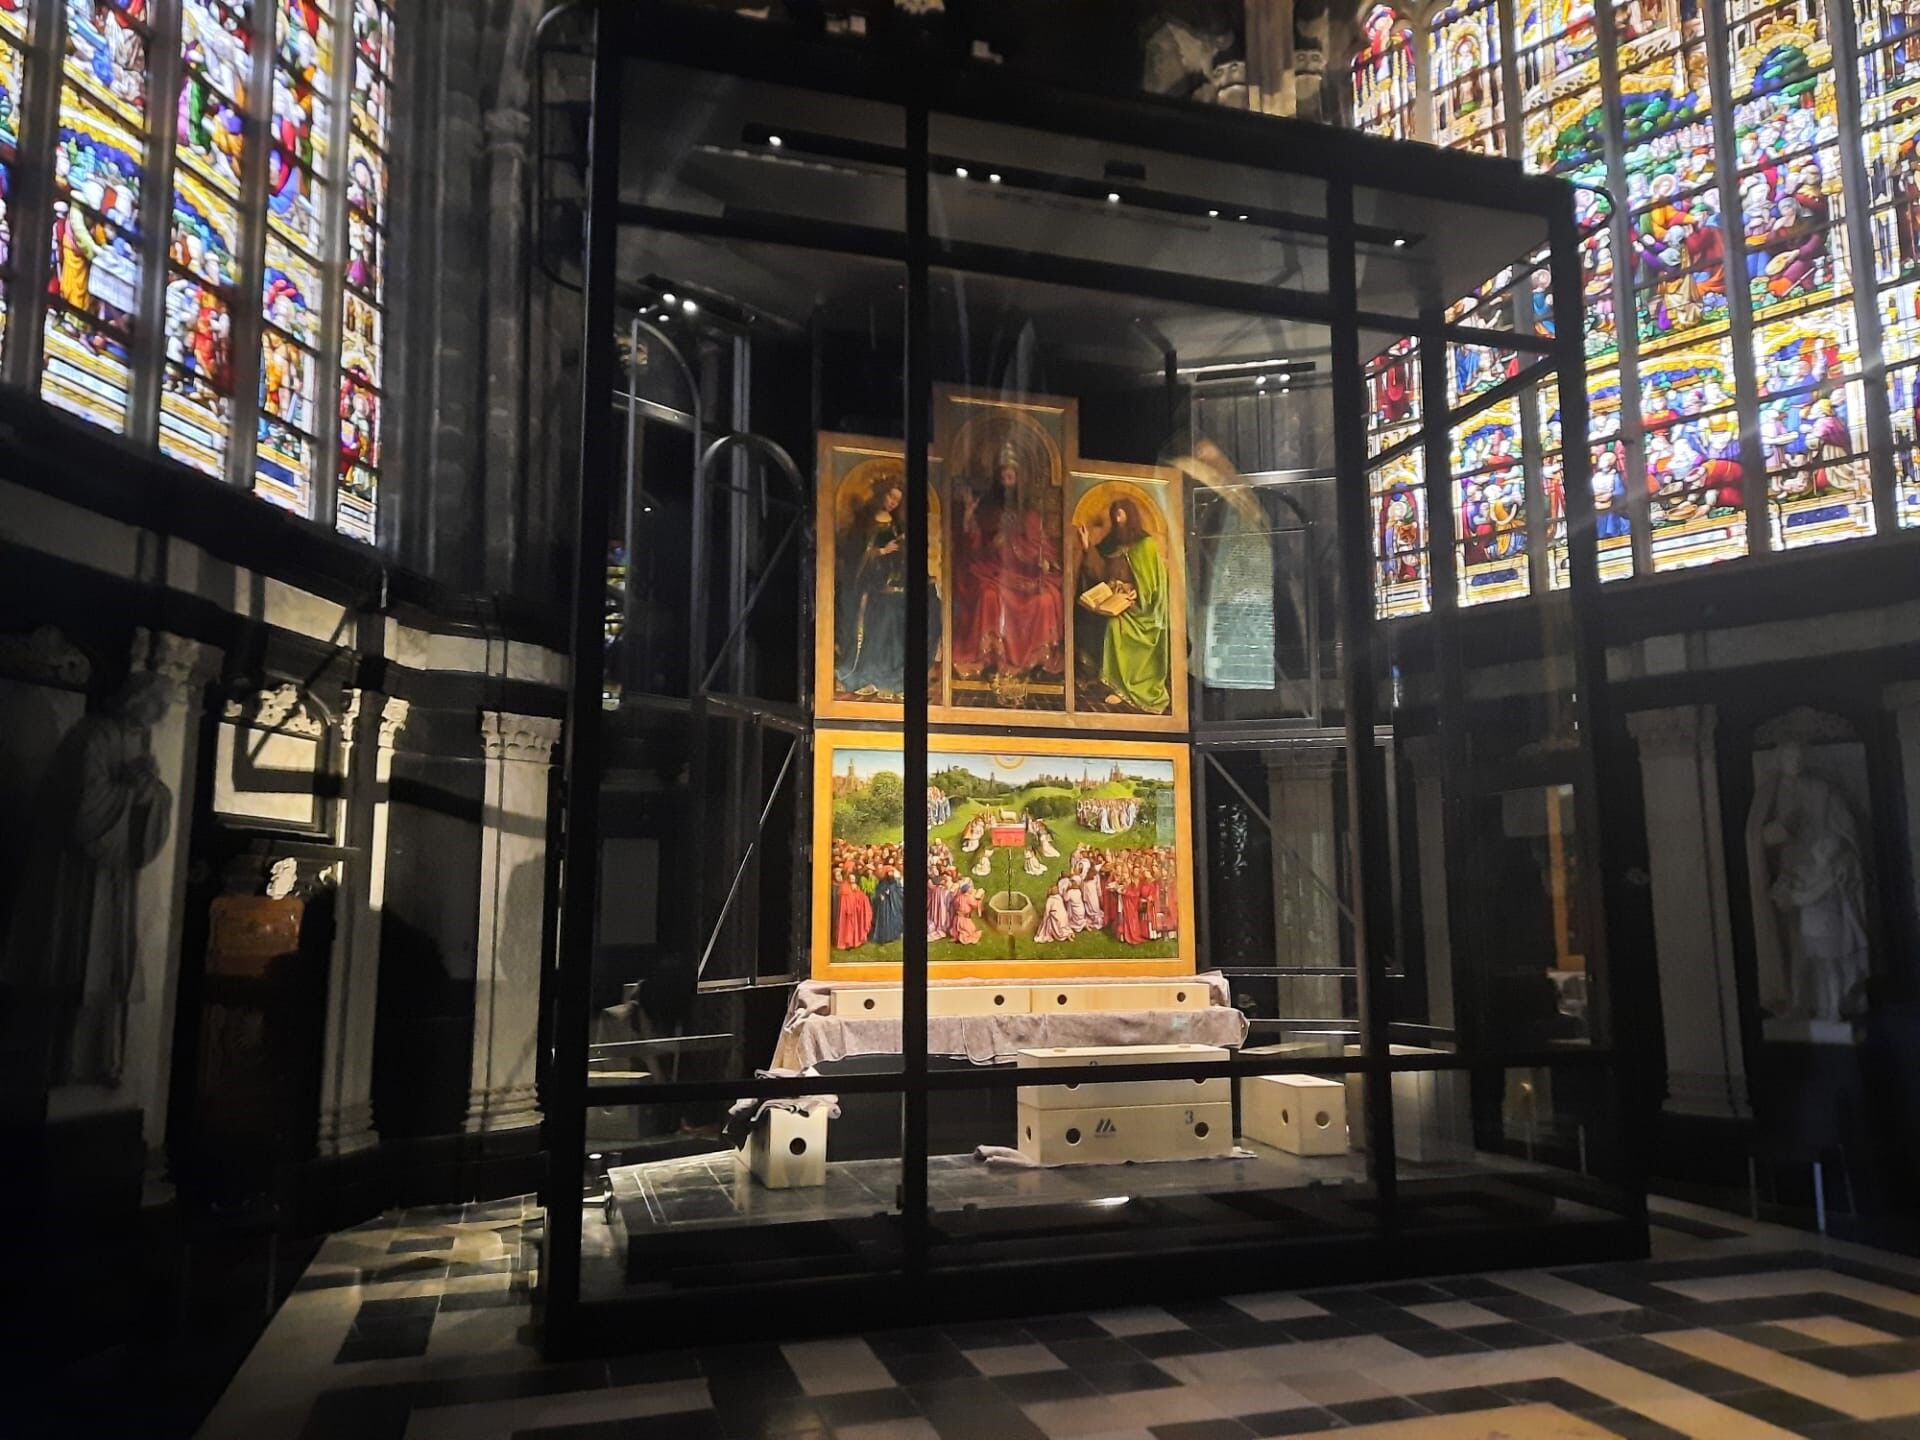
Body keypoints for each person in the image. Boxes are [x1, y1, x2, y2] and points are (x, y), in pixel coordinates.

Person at [1, 671, 173, 1088]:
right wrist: (131, 791)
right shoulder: (91, 736)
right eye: (154, 705)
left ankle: (101, 1061)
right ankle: (58, 1063)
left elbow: (154, 796)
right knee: (74, 958)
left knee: (108, 965)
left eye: (162, 709)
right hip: (77, 876)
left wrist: (151, 792)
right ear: (135, 701)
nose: (157, 715)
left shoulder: (138, 741)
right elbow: (83, 810)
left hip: (114, 879)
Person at [951, 437, 1065, 681]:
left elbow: (1042, 548)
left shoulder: (1030, 515)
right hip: (993, 571)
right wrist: (970, 518)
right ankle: (990, 659)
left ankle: (1035, 662)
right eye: (1003, 475)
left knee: (1046, 600)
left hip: (1025, 574)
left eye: (1011, 475)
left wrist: (1032, 554)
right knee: (988, 596)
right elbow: (974, 546)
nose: (1007, 479)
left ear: (1019, 479)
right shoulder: (988, 510)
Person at [1076, 499, 1172, 713]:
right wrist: (1086, 545)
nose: (1117, 519)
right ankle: (1096, 676)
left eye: (1121, 514)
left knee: (1114, 626)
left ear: (1130, 515)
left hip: (1142, 610)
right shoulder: (1112, 544)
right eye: (1115, 515)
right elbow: (1100, 572)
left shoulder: (1145, 545)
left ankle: (1123, 688)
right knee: (1089, 618)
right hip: (1116, 600)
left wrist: (1137, 592)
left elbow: (1154, 583)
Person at [832, 867, 872, 951]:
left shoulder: (855, 886)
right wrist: (848, 909)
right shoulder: (844, 887)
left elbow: (860, 897)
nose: (852, 880)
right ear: (848, 879)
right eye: (851, 879)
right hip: (847, 913)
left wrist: (859, 893)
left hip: (854, 911)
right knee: (847, 928)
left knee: (854, 928)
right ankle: (847, 943)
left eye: (853, 879)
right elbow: (844, 900)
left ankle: (854, 942)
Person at [868, 865, 904, 946]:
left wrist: (891, 891)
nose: (891, 874)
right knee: (885, 919)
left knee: (894, 918)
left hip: (894, 904)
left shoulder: (895, 881)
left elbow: (899, 889)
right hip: (885, 904)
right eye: (889, 872)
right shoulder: (882, 882)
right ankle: (884, 937)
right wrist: (881, 895)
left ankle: (894, 935)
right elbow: (878, 891)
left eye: (892, 872)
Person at [1033, 879, 1074, 943]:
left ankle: (1065, 935)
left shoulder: (1052, 899)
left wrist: (1045, 919)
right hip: (1061, 916)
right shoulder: (1056, 898)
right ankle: (1068, 933)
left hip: (1059, 917)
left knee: (1053, 921)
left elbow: (1047, 912)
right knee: (1060, 923)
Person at [949, 880, 983, 945]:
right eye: (970, 889)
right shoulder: (968, 898)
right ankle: (963, 937)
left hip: (958, 917)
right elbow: (975, 905)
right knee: (969, 930)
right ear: (967, 890)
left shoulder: (959, 897)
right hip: (964, 917)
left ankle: (958, 936)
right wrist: (979, 900)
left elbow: (955, 903)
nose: (971, 890)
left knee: (959, 928)